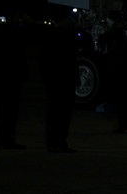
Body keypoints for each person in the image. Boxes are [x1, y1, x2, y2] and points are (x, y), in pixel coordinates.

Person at [0, 12, 29, 150]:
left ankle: (4, 139)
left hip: (5, 76)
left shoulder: (2, 34)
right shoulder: (12, 34)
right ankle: (6, 139)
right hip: (9, 77)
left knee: (6, 110)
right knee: (8, 110)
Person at [40, 17, 81, 153]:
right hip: (62, 80)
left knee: (54, 113)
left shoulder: (51, 36)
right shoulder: (66, 37)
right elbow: (71, 60)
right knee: (61, 114)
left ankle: (53, 142)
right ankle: (58, 142)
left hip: (55, 80)